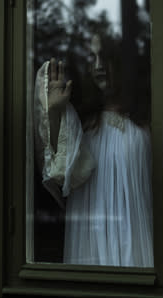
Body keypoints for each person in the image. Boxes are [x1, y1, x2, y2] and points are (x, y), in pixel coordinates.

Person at [34, 33, 154, 267]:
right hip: (90, 244)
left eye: (105, 57)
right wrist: (55, 113)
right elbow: (62, 174)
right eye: (92, 57)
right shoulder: (81, 124)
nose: (99, 66)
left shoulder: (147, 121)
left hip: (138, 245)